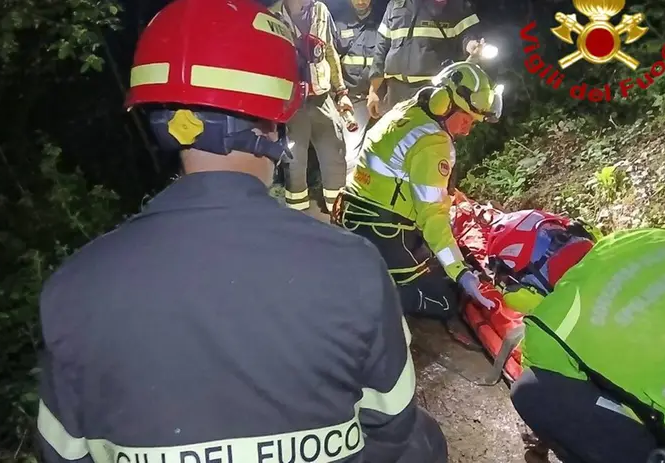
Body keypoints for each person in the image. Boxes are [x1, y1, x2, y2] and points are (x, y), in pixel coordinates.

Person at [34, 1, 449, 462]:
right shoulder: (354, 269)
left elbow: (63, 455)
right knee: (426, 444)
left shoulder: (73, 290)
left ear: (161, 123)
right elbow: (392, 427)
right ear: (275, 120)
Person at [484, 212, 665, 463]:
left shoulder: (548, 325)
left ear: (523, 280)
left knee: (530, 391)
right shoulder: (644, 235)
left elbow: (554, 395)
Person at [331, 61, 500, 320]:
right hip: (383, 230)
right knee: (446, 299)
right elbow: (431, 217)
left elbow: (408, 176)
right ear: (446, 104)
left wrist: (449, 195)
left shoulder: (409, 109)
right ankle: (366, 294)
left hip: (354, 214)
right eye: (467, 119)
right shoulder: (434, 142)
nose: (467, 130)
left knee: (432, 259)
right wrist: (462, 273)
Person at [276, 0, 353, 215]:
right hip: (291, 103)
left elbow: (329, 52)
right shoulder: (273, 15)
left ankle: (338, 214)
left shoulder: (320, 10)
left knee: (335, 156)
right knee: (293, 163)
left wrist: (341, 93)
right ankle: (296, 216)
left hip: (322, 98)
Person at [367, 0, 484, 119]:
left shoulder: (455, 4)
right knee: (393, 135)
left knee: (430, 136)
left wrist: (471, 44)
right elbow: (381, 48)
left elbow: (468, 35)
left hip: (433, 91)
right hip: (396, 91)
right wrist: (373, 91)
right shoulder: (396, 3)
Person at [334, 0, 381, 184]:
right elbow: (332, 60)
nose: (361, 1)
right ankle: (345, 193)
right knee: (349, 151)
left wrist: (376, 91)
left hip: (377, 96)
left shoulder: (382, 23)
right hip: (351, 100)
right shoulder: (339, 24)